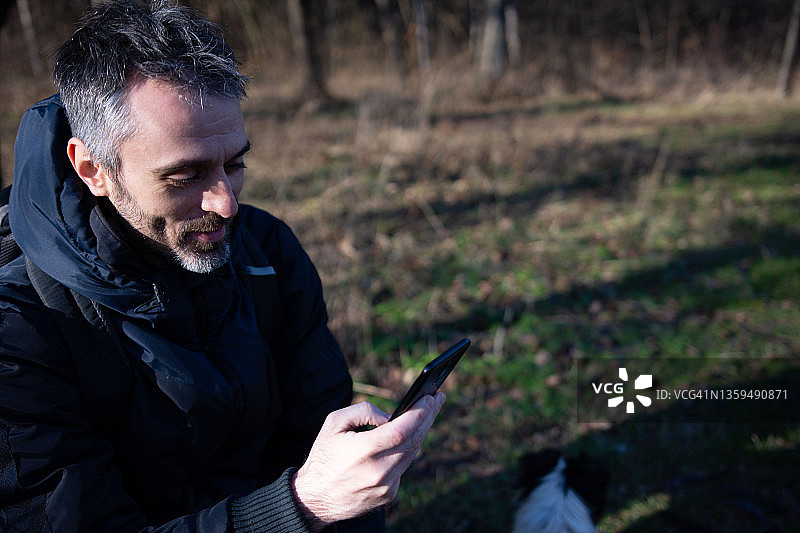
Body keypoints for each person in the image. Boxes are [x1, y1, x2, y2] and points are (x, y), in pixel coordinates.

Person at [0, 1, 445, 531]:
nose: (226, 204)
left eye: (234, 165)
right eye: (184, 177)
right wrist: (302, 507)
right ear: (93, 168)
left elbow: (315, 437)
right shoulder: (20, 328)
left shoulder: (266, 253)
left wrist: (351, 491)